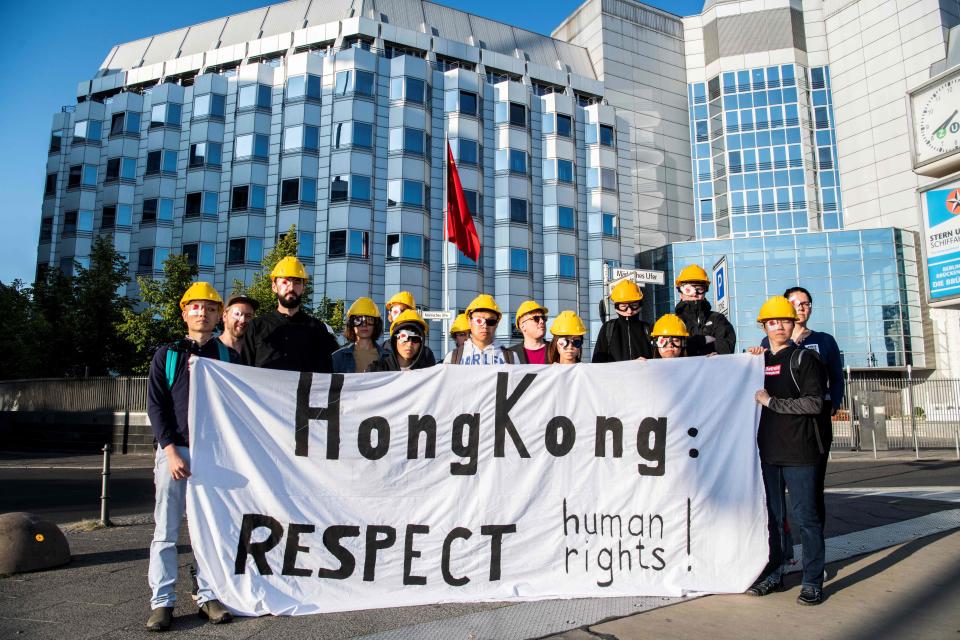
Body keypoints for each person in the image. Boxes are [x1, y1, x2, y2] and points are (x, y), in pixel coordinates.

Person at [146, 282, 238, 631]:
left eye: (210, 308)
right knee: (166, 530)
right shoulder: (167, 355)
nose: (203, 312)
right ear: (185, 312)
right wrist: (169, 450)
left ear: (219, 316)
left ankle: (207, 594)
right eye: (196, 307)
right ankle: (162, 601)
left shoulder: (227, 356)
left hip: (213, 455)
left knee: (211, 529)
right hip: (176, 451)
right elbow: (157, 407)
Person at [746, 296, 827, 606]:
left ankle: (812, 581)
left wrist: (772, 402)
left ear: (793, 324)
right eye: (771, 322)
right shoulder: (760, 361)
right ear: (764, 327)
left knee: (807, 519)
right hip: (769, 452)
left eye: (783, 321)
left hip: (801, 452)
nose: (778, 326)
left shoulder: (805, 359)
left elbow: (814, 403)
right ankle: (776, 572)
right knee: (775, 519)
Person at [761, 286, 844, 524]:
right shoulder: (769, 343)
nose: (801, 308)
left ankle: (815, 540)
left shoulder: (824, 340)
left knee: (812, 488)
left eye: (806, 303)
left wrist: (834, 404)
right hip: (780, 427)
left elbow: (837, 377)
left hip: (814, 421)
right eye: (796, 303)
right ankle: (782, 549)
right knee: (774, 498)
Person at [240, 257, 339, 372]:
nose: (291, 288)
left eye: (297, 282)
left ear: (303, 288)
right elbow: (244, 373)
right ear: (274, 287)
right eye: (285, 282)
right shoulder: (256, 327)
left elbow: (326, 376)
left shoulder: (318, 329)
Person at [673, 264, 736, 356]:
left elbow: (726, 347)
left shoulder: (717, 319)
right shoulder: (673, 322)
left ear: (705, 291)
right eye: (688, 289)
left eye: (699, 289)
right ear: (681, 294)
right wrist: (702, 341)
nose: (694, 294)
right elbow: (668, 350)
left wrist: (688, 346)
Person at [443, 294, 520, 364]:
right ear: (470, 322)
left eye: (491, 321)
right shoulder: (452, 358)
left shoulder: (512, 358)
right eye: (479, 320)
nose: (485, 326)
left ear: (496, 324)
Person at [592, 279, 653, 362]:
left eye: (634, 305)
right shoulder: (608, 328)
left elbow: (658, 359)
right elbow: (597, 361)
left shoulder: (648, 329)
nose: (629, 311)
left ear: (640, 305)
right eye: (624, 306)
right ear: (617, 306)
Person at [382, 290, 437, 366]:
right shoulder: (382, 351)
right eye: (395, 311)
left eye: (415, 339)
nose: (409, 344)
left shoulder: (426, 355)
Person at [367, 310, 434, 371]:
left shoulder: (428, 369)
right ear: (395, 339)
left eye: (415, 339)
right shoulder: (377, 369)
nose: (409, 344)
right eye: (404, 337)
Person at [332, 297, 385, 373]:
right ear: (351, 324)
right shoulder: (337, 358)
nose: (364, 325)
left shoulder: (388, 357)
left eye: (369, 320)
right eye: (358, 320)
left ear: (376, 324)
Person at [508, 300, 549, 364]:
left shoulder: (557, 350)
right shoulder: (509, 355)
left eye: (543, 318)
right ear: (522, 326)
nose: (542, 321)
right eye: (536, 318)